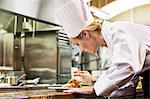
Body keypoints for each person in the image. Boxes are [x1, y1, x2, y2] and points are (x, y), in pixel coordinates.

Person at [56, 0, 150, 98]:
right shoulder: (111, 40)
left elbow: (126, 67)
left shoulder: (117, 31)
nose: (81, 49)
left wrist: (95, 88)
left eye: (78, 44)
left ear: (85, 33)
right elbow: (128, 76)